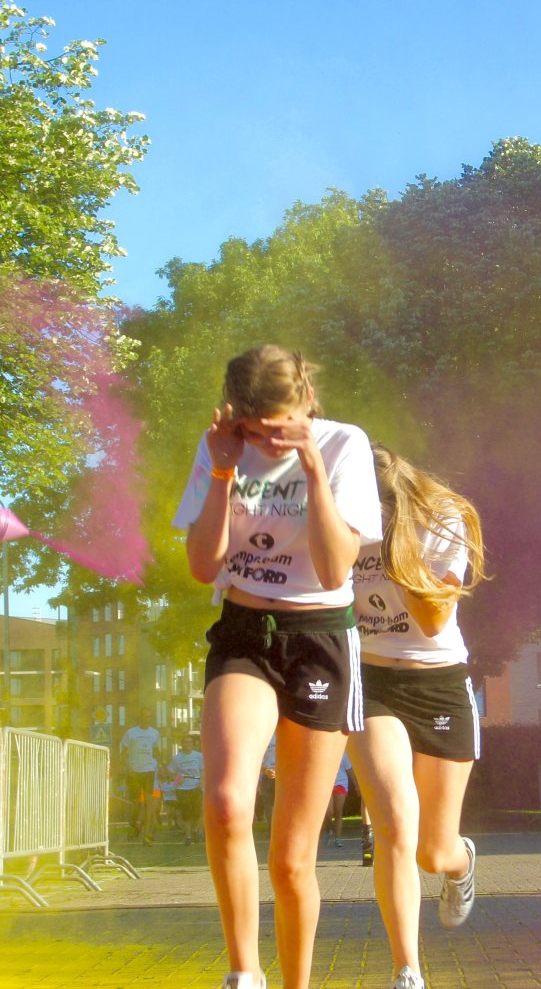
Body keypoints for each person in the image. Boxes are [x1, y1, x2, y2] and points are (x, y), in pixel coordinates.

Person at [173, 345, 382, 989]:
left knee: (291, 860)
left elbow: (335, 567)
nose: (269, 443)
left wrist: (312, 467)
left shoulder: (344, 444)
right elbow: (202, 567)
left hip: (320, 638)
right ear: (235, 414)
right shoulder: (220, 448)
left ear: (307, 403)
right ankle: (244, 973)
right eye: (256, 430)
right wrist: (222, 471)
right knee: (226, 801)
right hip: (244, 633)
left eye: (280, 428)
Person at [347, 444, 487, 989]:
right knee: (393, 824)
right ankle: (408, 971)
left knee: (432, 850)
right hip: (372, 682)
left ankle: (461, 862)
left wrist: (394, 545)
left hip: (439, 683)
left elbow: (433, 620)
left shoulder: (441, 516)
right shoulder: (338, 518)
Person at [118, 708, 160, 844]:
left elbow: (156, 751)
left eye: (149, 717)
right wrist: (127, 767)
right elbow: (122, 753)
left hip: (149, 771)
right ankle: (134, 824)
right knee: (136, 804)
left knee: (149, 805)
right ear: (140, 718)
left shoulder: (155, 733)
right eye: (144, 717)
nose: (146, 719)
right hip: (134, 772)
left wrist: (161, 764)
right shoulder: (131, 733)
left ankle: (147, 835)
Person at [170, 733, 205, 845]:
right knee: (186, 814)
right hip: (182, 789)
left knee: (197, 813)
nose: (188, 744)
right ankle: (188, 837)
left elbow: (202, 771)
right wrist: (177, 781)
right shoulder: (176, 758)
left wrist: (201, 784)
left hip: (196, 787)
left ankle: (195, 830)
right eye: (185, 742)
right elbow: (171, 773)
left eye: (190, 742)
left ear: (193, 744)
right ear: (182, 744)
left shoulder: (199, 756)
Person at [326, 751, 352, 848]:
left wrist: (357, 786)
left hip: (341, 783)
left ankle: (337, 838)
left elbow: (349, 769)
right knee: (329, 811)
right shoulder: (323, 750)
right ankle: (329, 828)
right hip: (326, 784)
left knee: (338, 812)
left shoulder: (343, 752)